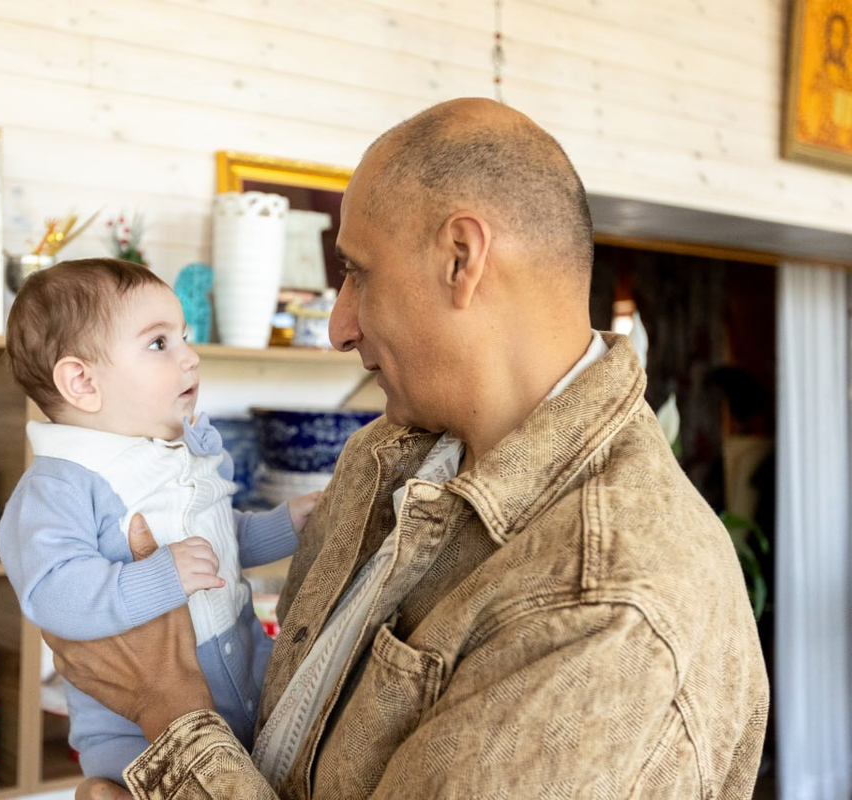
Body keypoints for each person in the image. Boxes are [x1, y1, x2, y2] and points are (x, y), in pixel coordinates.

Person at [45, 98, 771, 798]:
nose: (338, 326)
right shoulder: (381, 455)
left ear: (462, 258)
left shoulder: (608, 609)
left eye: (358, 273)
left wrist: (165, 707)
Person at [0, 258, 319, 786]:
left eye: (184, 337)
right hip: (135, 738)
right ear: (81, 381)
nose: (190, 358)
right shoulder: (62, 483)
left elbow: (216, 545)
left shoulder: (170, 455)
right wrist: (161, 578)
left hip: (245, 685)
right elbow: (53, 592)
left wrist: (286, 525)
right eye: (159, 343)